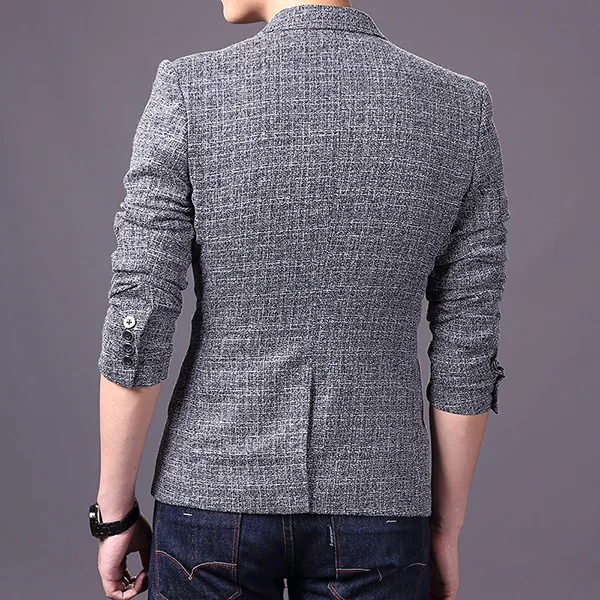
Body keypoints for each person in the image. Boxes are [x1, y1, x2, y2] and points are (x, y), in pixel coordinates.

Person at [90, 1, 510, 599]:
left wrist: (113, 514)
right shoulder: (460, 109)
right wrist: (446, 526)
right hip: (382, 499)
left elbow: (141, 315)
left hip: (212, 488)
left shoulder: (189, 91)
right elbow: (468, 345)